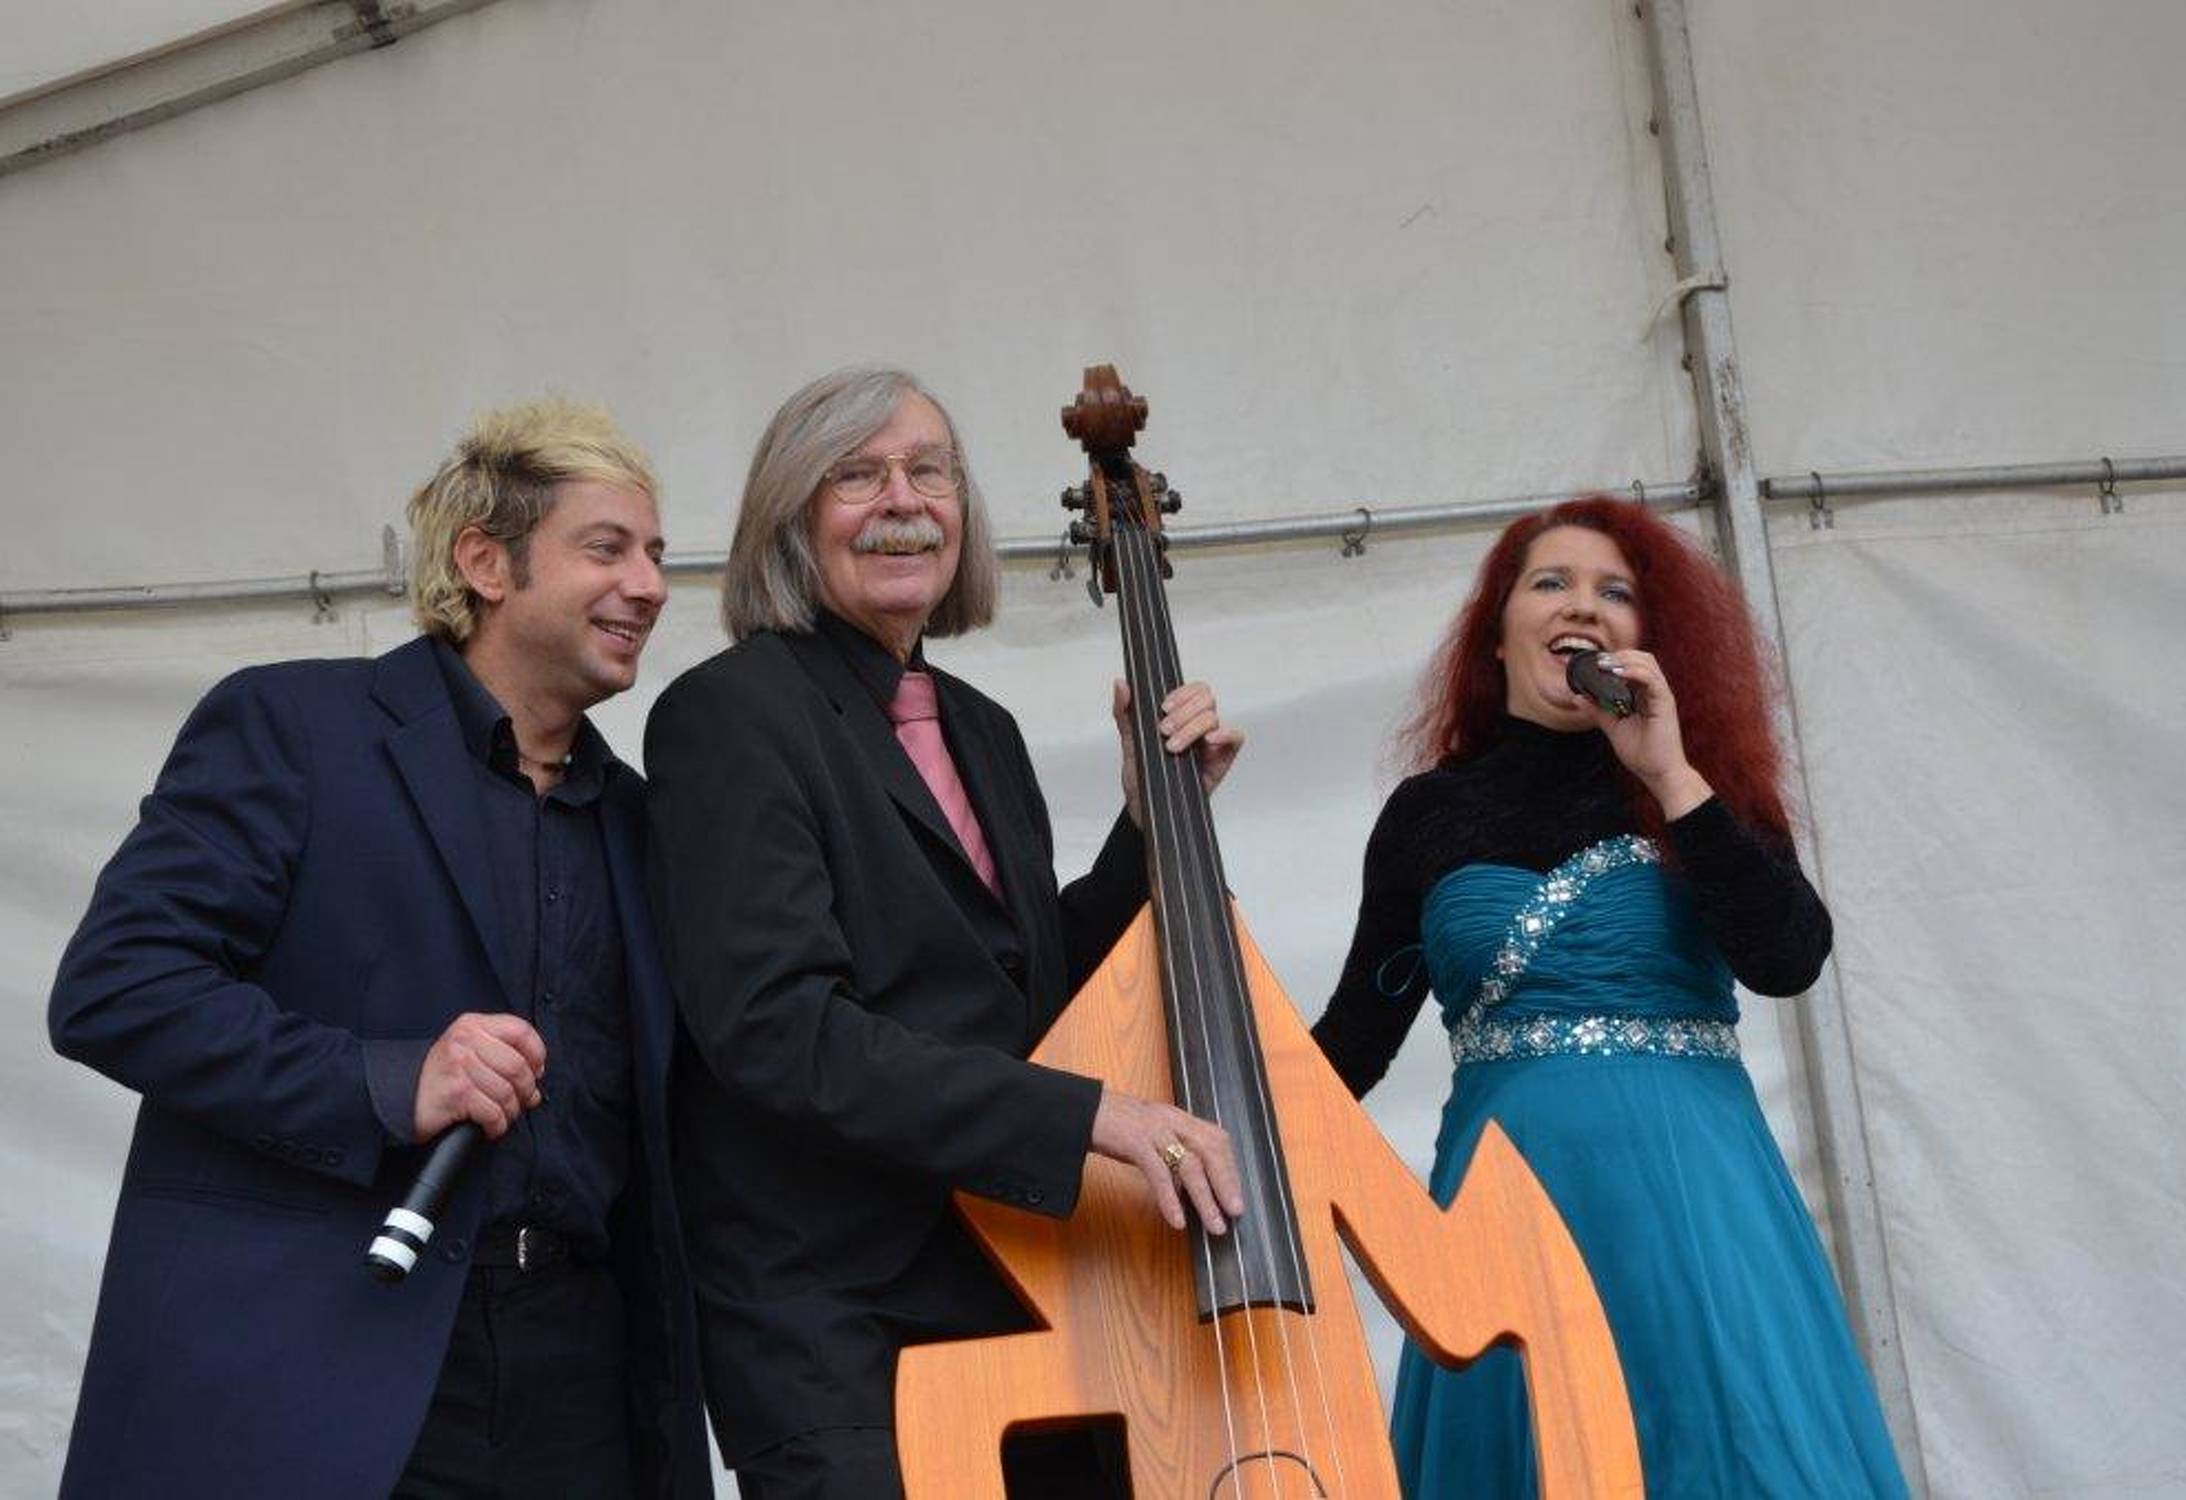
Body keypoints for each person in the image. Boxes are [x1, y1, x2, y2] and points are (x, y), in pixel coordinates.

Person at [48, 400, 710, 1499]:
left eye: (655, 554)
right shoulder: (296, 728)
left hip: (583, 1380)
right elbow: (118, 989)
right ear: (486, 563)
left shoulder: (639, 818)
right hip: (329, 1364)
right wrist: (392, 1082)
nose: (648, 585)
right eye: (607, 548)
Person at [643, 366, 1246, 1499]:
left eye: (931, 471)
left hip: (1025, 1286)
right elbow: (780, 1029)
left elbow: (1025, 989)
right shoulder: (728, 715)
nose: (903, 500)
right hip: (841, 1322)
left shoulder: (983, 728)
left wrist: (1149, 828)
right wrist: (1091, 1118)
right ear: (789, 518)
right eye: (856, 476)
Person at [1312, 496, 1906, 1497]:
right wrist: (1192, 1127)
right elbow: (1351, 1047)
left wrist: (1670, 775)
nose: (1581, 605)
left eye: (1614, 592)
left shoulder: (1701, 789)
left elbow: (1787, 958)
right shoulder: (1428, 816)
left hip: (1696, 1196)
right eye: (1551, 582)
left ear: (1646, 640)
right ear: (1496, 632)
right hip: (1504, 1205)